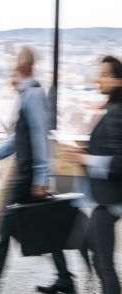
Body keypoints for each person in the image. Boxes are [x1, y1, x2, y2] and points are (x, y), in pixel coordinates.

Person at [0, 47, 75, 294]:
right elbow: (18, 139)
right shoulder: (25, 93)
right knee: (43, 226)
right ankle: (66, 279)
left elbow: (40, 137)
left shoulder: (33, 93)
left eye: (17, 62)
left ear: (24, 66)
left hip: (27, 177)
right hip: (27, 175)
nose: (15, 67)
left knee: (6, 229)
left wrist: (41, 177)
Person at [63, 56, 122, 294]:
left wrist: (84, 159)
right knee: (91, 247)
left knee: (104, 263)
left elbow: (118, 162)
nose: (99, 79)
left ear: (119, 81)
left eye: (105, 74)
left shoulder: (117, 114)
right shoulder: (112, 109)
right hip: (105, 198)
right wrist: (85, 152)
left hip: (111, 200)